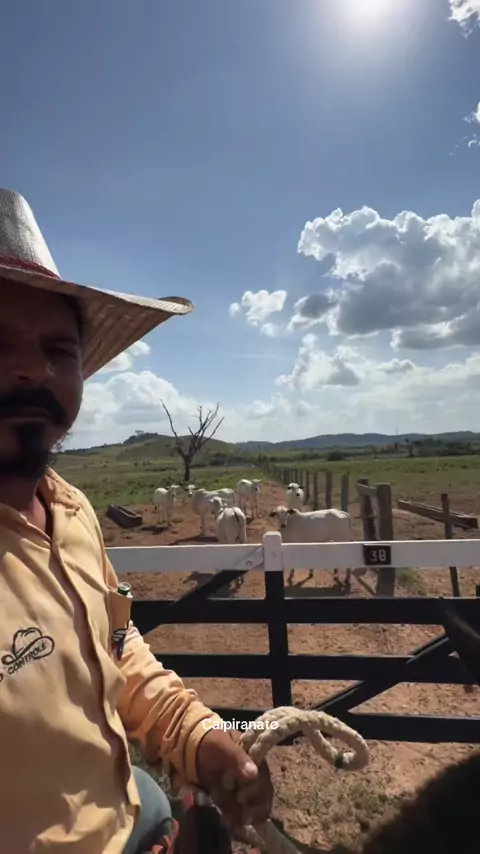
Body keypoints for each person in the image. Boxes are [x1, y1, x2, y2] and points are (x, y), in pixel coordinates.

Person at [0, 189, 273, 854]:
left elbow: (119, 647)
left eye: (59, 349)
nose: (33, 367)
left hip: (136, 822)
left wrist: (200, 737)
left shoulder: (72, 512)